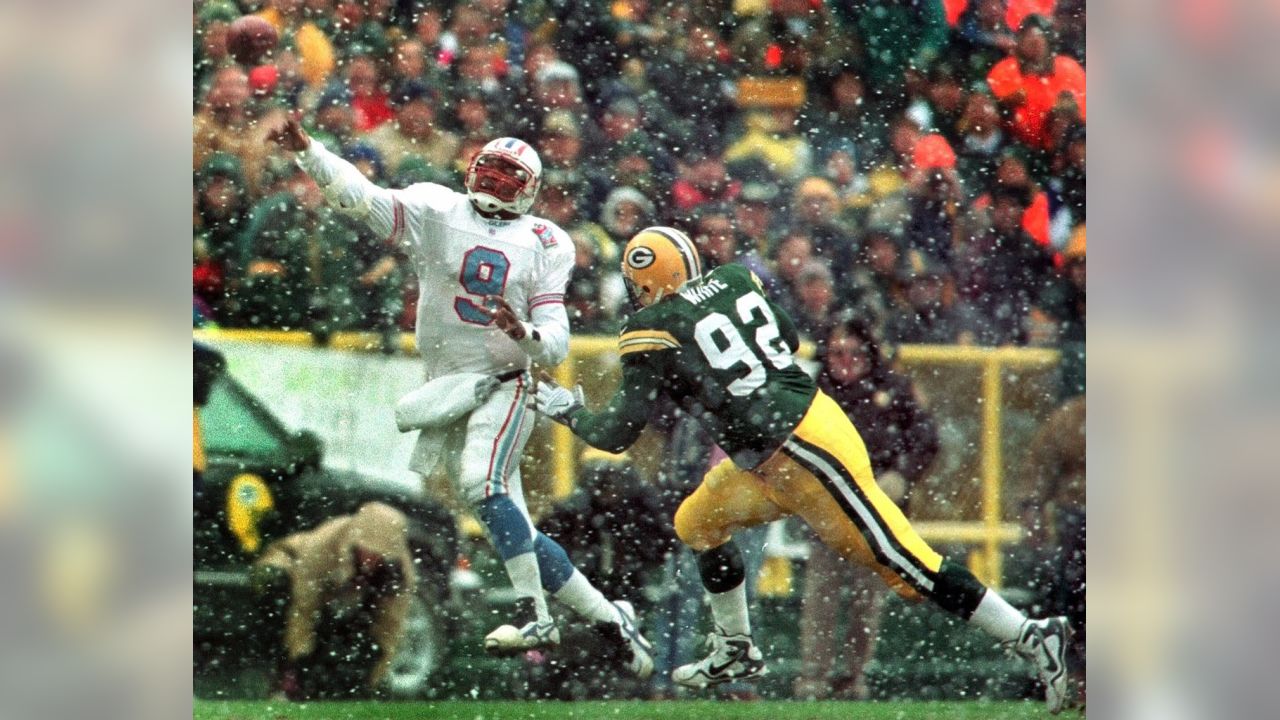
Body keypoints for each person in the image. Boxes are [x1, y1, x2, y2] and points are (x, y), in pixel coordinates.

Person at [532, 226, 1072, 712]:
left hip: (802, 446)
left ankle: (1031, 634)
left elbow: (616, 433)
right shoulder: (737, 278)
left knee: (903, 564)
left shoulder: (650, 329)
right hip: (773, 449)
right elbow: (787, 339)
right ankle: (735, 649)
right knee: (696, 522)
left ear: (645, 279)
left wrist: (564, 406)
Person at [266, 116, 653, 678]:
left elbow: (556, 339)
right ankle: (611, 617)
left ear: (530, 190)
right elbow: (360, 197)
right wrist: (310, 152)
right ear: (471, 170)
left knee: (481, 481)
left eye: (508, 178)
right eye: (489, 173)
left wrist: (525, 335)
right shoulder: (437, 211)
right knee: (510, 523)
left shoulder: (545, 241)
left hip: (506, 379)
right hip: (451, 385)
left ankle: (534, 614)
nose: (495, 185)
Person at [794, 317, 939, 700]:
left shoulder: (893, 389)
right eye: (838, 353)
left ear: (869, 353)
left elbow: (926, 438)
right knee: (820, 599)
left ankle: (853, 678)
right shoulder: (814, 391)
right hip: (827, 509)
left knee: (865, 602)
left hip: (876, 513)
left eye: (855, 353)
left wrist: (902, 475)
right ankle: (814, 678)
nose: (846, 361)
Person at [252, 502, 415, 698]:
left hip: (341, 596)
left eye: (378, 555)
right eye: (367, 551)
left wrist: (373, 677)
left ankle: (335, 685)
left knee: (361, 648)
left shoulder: (398, 572)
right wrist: (301, 656)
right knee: (275, 590)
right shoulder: (323, 544)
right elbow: (303, 609)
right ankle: (280, 678)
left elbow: (390, 627)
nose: (371, 560)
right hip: (292, 565)